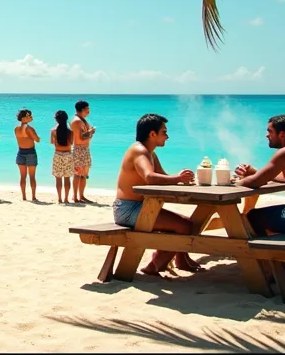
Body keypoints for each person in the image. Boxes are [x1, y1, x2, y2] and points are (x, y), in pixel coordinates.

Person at [111, 114, 205, 276]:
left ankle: (181, 259)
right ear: (152, 134)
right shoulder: (139, 151)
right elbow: (150, 177)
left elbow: (162, 178)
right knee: (184, 226)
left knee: (187, 223)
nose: (167, 136)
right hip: (128, 210)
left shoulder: (150, 153)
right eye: (164, 132)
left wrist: (182, 181)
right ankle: (155, 265)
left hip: (138, 207)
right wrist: (178, 178)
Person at [70, 99, 96, 203]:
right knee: (77, 174)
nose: (89, 111)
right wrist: (90, 132)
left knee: (84, 174)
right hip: (79, 149)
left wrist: (89, 132)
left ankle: (81, 196)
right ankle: (75, 196)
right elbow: (79, 139)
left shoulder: (82, 120)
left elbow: (83, 135)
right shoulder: (77, 121)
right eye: (87, 109)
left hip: (84, 149)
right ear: (82, 109)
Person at [14, 108, 40, 201]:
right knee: (32, 176)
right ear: (23, 118)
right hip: (30, 152)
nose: (31, 117)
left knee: (23, 176)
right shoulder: (29, 129)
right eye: (29, 115)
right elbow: (37, 139)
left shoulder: (16, 129)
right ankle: (33, 197)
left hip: (20, 152)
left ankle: (24, 197)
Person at [51, 110, 75, 204]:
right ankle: (66, 199)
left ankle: (59, 199)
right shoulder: (70, 132)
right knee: (67, 178)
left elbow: (52, 142)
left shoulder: (53, 131)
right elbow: (71, 143)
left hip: (57, 154)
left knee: (58, 178)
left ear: (56, 120)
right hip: (68, 154)